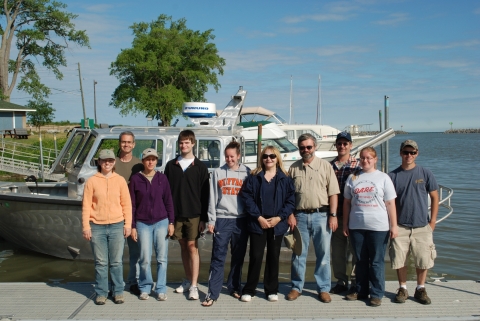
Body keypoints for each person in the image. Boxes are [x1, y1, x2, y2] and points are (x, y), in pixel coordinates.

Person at [287, 133, 340, 303]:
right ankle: (296, 287)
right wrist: (290, 215)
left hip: (322, 216)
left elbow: (333, 193)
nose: (306, 150)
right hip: (300, 216)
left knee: (323, 254)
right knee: (298, 254)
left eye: (309, 147)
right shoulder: (293, 168)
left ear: (315, 147)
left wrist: (333, 215)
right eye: (302, 147)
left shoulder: (325, 166)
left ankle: (323, 288)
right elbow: (288, 196)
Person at [343, 147, 398, 307]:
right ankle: (361, 290)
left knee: (376, 261)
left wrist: (393, 225)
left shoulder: (383, 178)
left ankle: (376, 293)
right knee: (360, 260)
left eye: (368, 158)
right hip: (357, 226)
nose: (365, 161)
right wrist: (345, 223)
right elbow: (346, 203)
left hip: (379, 227)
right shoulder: (353, 178)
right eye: (362, 158)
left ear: (375, 159)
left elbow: (390, 203)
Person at [240, 146, 295, 302]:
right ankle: (249, 289)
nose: (268, 159)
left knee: (273, 256)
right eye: (265, 156)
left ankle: (271, 289)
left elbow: (291, 201)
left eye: (272, 156)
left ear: (277, 158)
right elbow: (247, 198)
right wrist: (258, 217)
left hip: (277, 223)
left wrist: (279, 218)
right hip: (259, 222)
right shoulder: (254, 177)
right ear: (261, 159)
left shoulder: (285, 178)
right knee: (256, 256)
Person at [388, 140, 439, 305]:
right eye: (406, 152)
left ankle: (420, 288)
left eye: (412, 152)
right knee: (399, 259)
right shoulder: (392, 175)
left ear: (417, 153)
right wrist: (392, 225)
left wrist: (432, 222)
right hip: (400, 226)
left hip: (422, 226)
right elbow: (389, 202)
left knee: (423, 259)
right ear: (400, 153)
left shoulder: (425, 173)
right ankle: (402, 288)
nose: (409, 155)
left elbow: (435, 197)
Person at [202, 141, 251, 307]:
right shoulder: (218, 172)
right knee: (218, 257)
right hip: (222, 219)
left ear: (238, 156)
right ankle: (212, 293)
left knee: (238, 257)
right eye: (227, 156)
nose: (229, 159)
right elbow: (213, 197)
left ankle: (234, 287)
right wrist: (211, 220)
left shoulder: (247, 172)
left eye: (232, 156)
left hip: (241, 219)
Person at [82, 149, 132, 305]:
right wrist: (86, 226)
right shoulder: (91, 181)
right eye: (104, 160)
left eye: (110, 160)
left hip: (117, 225)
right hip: (97, 226)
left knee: (117, 262)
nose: (107, 163)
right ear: (99, 162)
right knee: (101, 262)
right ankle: (102, 292)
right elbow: (86, 206)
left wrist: (128, 224)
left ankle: (118, 292)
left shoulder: (120, 180)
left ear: (114, 162)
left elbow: (127, 204)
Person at [164, 130, 209, 300]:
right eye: (181, 143)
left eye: (187, 142)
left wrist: (204, 218)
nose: (184, 145)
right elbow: (166, 193)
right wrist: (168, 217)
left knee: (192, 246)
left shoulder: (200, 167)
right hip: (176, 213)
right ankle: (188, 280)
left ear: (193, 143)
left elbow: (205, 194)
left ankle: (195, 286)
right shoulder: (171, 165)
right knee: (182, 246)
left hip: (194, 214)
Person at [129, 148, 175, 301]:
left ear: (157, 161)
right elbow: (132, 205)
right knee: (145, 258)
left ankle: (161, 288)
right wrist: (133, 226)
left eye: (153, 159)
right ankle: (145, 287)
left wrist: (171, 222)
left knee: (162, 258)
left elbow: (169, 201)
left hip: (161, 221)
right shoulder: (135, 179)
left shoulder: (162, 178)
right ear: (143, 161)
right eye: (147, 159)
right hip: (142, 223)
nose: (150, 162)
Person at [329, 132, 361, 294]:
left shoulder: (358, 166)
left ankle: (356, 282)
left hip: (355, 216)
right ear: (336, 145)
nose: (342, 146)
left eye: (345, 143)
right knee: (337, 252)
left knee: (356, 251)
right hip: (336, 216)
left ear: (350, 145)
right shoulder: (329, 166)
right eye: (339, 143)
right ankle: (341, 280)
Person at [115, 131, 143, 296]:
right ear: (120, 143)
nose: (126, 145)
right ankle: (116, 284)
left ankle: (134, 282)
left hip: (133, 215)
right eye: (123, 142)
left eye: (129, 142)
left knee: (135, 253)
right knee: (116, 255)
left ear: (133, 144)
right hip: (115, 214)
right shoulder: (113, 163)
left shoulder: (139, 165)